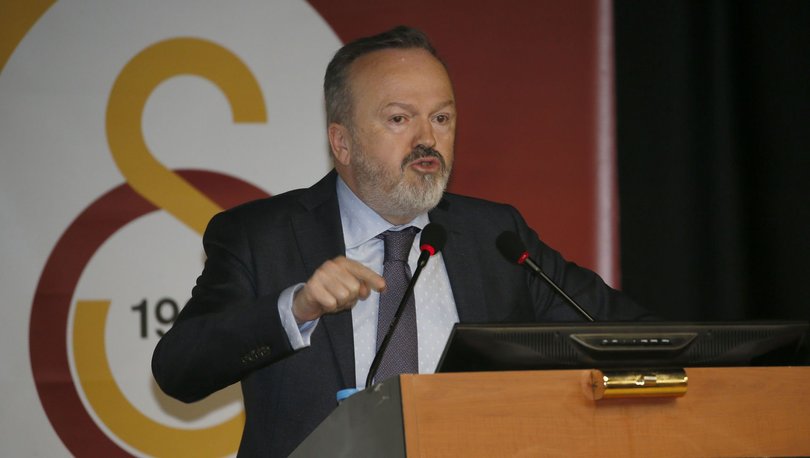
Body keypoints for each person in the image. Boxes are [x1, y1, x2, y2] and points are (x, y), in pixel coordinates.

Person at [152, 25, 651, 457]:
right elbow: (179, 370)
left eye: (441, 118)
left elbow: (633, 336)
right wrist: (296, 309)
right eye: (399, 118)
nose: (427, 139)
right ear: (342, 142)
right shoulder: (261, 236)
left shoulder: (495, 236)